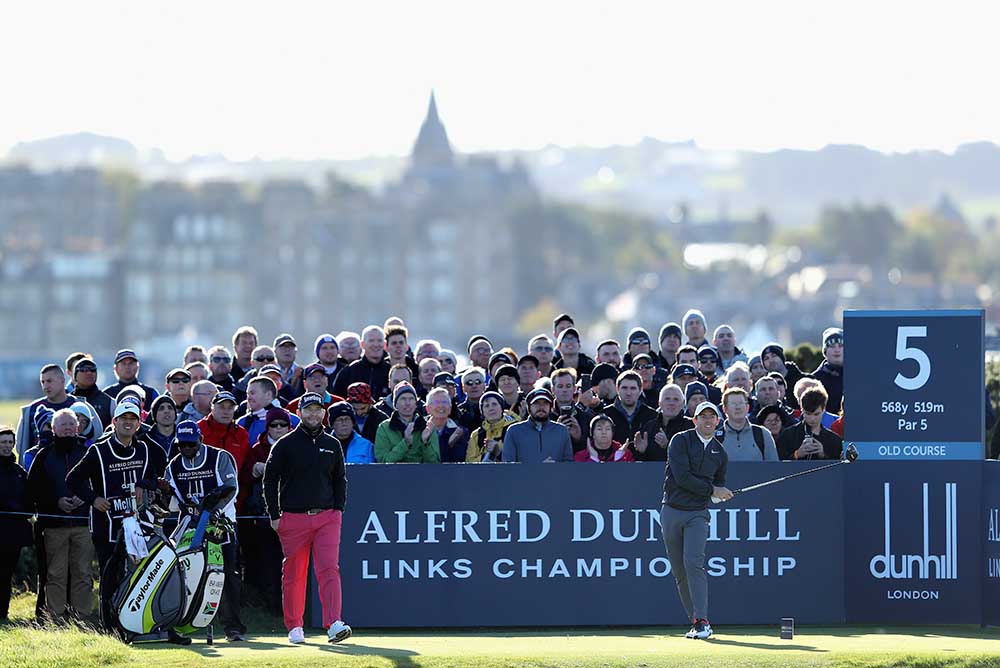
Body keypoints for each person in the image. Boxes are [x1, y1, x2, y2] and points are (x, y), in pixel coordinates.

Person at [263, 393, 352, 645]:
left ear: (323, 413)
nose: (314, 414)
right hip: (293, 517)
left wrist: (338, 509)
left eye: (318, 410)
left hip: (327, 516)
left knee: (329, 569)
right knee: (294, 573)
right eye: (308, 410)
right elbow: (270, 480)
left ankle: (334, 623)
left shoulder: (332, 444)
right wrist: (274, 515)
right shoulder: (285, 444)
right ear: (300, 412)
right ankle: (295, 626)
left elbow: (339, 479)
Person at [65, 399, 160, 633]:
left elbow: (155, 477)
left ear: (139, 424)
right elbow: (72, 479)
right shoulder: (98, 450)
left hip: (138, 524)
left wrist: (143, 484)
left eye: (133, 419)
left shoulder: (145, 449)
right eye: (123, 419)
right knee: (110, 576)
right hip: (106, 524)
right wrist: (93, 499)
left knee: (140, 573)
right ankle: (110, 626)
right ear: (114, 422)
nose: (128, 423)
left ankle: (137, 623)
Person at [163, 421, 245, 642]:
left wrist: (213, 508)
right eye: (182, 445)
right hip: (190, 527)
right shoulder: (174, 466)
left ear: (200, 439)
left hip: (221, 525)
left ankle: (232, 628)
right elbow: (171, 501)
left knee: (226, 574)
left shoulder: (220, 458)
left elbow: (232, 488)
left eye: (191, 444)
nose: (187, 449)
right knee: (186, 576)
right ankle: (184, 623)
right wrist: (161, 492)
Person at [660, 401, 732, 640]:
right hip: (671, 510)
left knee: (694, 563)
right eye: (703, 416)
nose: (708, 420)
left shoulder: (720, 453)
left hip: (697, 514)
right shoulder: (680, 440)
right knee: (679, 571)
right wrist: (713, 490)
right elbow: (682, 478)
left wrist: (720, 493)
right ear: (695, 420)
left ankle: (702, 620)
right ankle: (696, 622)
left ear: (718, 422)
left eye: (712, 417)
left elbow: (717, 485)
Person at [241, 408, 291, 618]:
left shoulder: (297, 446)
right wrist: (255, 470)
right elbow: (244, 478)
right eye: (274, 425)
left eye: (282, 425)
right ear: (267, 427)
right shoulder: (256, 449)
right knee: (268, 563)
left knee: (291, 562)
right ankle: (272, 608)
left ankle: (292, 607)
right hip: (263, 517)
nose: (278, 429)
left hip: (291, 513)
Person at [16, 363, 81, 458]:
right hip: (41, 468)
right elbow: (21, 446)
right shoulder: (32, 409)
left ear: (62, 380)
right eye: (43, 382)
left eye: (49, 381)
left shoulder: (80, 406)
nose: (45, 386)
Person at [0, 427, 31, 622]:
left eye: (10, 442)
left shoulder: (19, 471)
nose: (7, 446)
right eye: (3, 442)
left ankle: (3, 613)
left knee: (6, 573)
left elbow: (28, 499)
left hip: (13, 533)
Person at [501, 388, 573, 463]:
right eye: (536, 403)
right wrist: (537, 468)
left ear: (551, 407)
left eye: (545, 403)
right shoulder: (514, 431)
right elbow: (508, 465)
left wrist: (554, 468)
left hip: (555, 475)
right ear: (528, 407)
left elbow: (568, 464)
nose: (541, 407)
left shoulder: (562, 430)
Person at [373, 383, 439, 463]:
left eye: (411, 399)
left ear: (416, 404)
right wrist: (405, 443)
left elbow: (435, 463)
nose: (407, 403)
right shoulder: (384, 428)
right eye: (403, 399)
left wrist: (425, 442)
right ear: (395, 405)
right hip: (393, 474)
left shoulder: (427, 427)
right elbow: (382, 462)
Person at [776, 387, 843, 461]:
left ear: (823, 411)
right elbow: (779, 462)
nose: (812, 419)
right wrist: (797, 454)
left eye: (816, 414)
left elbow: (838, 468)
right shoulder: (788, 435)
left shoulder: (834, 440)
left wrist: (823, 455)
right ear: (802, 410)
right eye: (808, 414)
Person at [198, 391, 252, 477]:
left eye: (230, 408)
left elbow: (245, 468)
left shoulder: (241, 434)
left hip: (234, 487)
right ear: (212, 407)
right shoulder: (198, 429)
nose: (226, 412)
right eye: (221, 407)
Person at [635, 384, 693, 462]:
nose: (671, 403)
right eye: (667, 399)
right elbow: (642, 465)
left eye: (676, 399)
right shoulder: (649, 427)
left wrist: (668, 446)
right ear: (660, 403)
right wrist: (641, 452)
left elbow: (694, 458)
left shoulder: (691, 426)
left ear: (683, 404)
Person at [718, 388, 779, 461]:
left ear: (747, 407)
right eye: (733, 404)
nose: (738, 407)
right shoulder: (716, 438)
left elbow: (774, 467)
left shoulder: (762, 434)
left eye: (741, 403)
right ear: (724, 409)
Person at [603, 371, 657, 452]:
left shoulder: (652, 416)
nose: (628, 393)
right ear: (617, 389)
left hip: (644, 464)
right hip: (612, 463)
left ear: (640, 390)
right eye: (624, 388)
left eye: (633, 388)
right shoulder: (605, 415)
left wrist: (644, 451)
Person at [333, 325, 391, 400]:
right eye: (371, 340)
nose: (376, 344)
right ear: (362, 344)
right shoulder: (349, 371)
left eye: (379, 341)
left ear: (385, 345)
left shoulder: (391, 372)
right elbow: (338, 400)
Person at [466, 391, 520, 462]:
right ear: (482, 412)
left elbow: (521, 457)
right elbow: (469, 462)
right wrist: (486, 456)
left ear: (501, 408)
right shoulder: (476, 435)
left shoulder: (515, 429)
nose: (491, 408)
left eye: (494, 404)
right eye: (486, 406)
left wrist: (499, 452)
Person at [70, 357, 115, 428]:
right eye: (84, 370)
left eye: (93, 370)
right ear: (75, 376)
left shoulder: (110, 403)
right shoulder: (67, 400)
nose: (89, 373)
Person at [425, 387, 467, 462]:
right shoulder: (420, 429)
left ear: (450, 409)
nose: (441, 406)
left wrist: (450, 444)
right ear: (427, 409)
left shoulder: (460, 432)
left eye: (444, 402)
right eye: (436, 402)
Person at [811, 327, 844, 414]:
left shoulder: (858, 375)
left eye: (841, 346)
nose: (837, 350)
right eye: (832, 346)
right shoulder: (815, 379)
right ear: (825, 351)